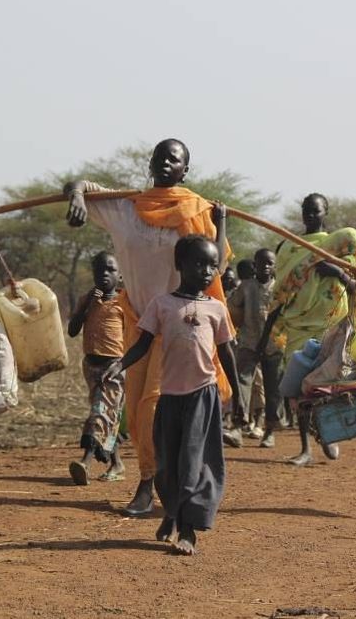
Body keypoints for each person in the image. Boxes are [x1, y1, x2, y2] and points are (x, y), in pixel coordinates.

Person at [64, 137, 236, 516]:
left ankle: (155, 486)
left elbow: (217, 265)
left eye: (173, 159)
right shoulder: (126, 208)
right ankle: (153, 479)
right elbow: (81, 186)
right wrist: (76, 195)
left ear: (184, 170)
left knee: (155, 408)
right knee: (140, 415)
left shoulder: (194, 210)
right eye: (159, 156)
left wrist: (220, 222)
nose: (164, 162)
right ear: (150, 162)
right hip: (139, 323)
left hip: (182, 325)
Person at [104, 234, 239, 555]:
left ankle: (188, 531)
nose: (207, 271)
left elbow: (227, 353)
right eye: (198, 263)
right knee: (166, 466)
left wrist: (239, 396)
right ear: (179, 266)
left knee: (193, 463)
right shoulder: (162, 305)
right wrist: (120, 365)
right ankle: (172, 514)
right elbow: (142, 343)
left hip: (202, 396)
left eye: (212, 265)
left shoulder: (217, 309)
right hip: (169, 397)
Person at [258, 193, 356, 467]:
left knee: (328, 386)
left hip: (331, 326)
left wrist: (337, 272)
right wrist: (264, 336)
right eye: (306, 210)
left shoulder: (342, 250)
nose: (310, 215)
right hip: (297, 327)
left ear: (325, 212)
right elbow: (279, 294)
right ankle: (305, 449)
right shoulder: (289, 247)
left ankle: (328, 434)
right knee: (297, 390)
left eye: (315, 211)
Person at [66, 251, 126, 485]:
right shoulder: (87, 300)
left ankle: (86, 461)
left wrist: (124, 365)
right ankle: (117, 464)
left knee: (99, 413)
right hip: (91, 365)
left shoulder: (124, 302)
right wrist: (87, 306)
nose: (104, 274)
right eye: (99, 270)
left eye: (110, 270)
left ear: (120, 276)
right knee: (107, 416)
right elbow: (72, 330)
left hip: (114, 366)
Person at [228, 248, 282, 448]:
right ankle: (238, 425)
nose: (266, 266)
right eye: (261, 263)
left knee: (272, 388)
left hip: (274, 345)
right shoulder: (246, 287)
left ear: (275, 265)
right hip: (249, 342)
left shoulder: (281, 288)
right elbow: (233, 306)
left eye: (270, 263)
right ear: (255, 265)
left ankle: (269, 430)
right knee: (242, 382)